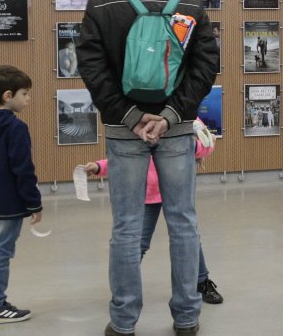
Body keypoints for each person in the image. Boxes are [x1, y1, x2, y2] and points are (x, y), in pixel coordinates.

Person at [76, 0, 219, 336]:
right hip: (175, 131)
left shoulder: (101, 4)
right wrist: (171, 115)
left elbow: (92, 68)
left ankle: (123, 322)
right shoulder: (189, 4)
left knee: (125, 226)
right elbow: (205, 67)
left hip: (124, 132)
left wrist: (130, 115)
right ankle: (187, 318)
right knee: (183, 222)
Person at [82, 120, 224, 305]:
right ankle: (125, 290)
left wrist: (191, 146)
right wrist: (98, 167)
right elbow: (124, 160)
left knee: (189, 239)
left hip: (177, 191)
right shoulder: (135, 120)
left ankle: (202, 282)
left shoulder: (187, 117)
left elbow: (207, 145)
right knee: (136, 244)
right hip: (147, 196)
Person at [0, 65, 42, 325]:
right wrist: (34, 203)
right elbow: (23, 170)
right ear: (7, 95)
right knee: (1, 252)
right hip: (8, 203)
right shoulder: (16, 128)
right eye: (25, 94)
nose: (28, 99)